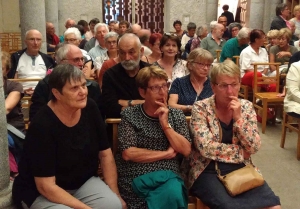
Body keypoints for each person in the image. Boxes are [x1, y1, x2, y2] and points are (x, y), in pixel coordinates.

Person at [12, 64, 126, 209]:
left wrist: (115, 194)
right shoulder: (42, 125)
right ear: (57, 93)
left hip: (82, 183)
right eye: (74, 88)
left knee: (113, 205)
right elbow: (46, 186)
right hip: (40, 191)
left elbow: (105, 154)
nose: (83, 92)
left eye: (84, 85)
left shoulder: (90, 107)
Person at [186, 60, 281, 209]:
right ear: (213, 87)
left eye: (234, 84)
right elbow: (206, 148)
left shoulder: (246, 106)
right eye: (223, 85)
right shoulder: (201, 108)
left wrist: (238, 118)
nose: (230, 91)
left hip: (241, 169)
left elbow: (254, 146)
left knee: (274, 206)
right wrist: (241, 153)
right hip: (207, 169)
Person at [116, 65, 191, 208]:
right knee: (167, 195)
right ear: (142, 92)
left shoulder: (176, 115)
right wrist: (165, 154)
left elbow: (186, 150)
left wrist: (165, 125)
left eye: (164, 86)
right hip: (136, 176)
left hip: (168, 176)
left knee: (172, 192)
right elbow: (128, 153)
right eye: (155, 88)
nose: (162, 92)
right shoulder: (130, 115)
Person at [29, 44, 102, 121]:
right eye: (76, 60)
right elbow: (36, 118)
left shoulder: (93, 86)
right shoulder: (45, 85)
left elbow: (99, 119)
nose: (81, 64)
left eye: (82, 59)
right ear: (62, 62)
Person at [101, 33, 149, 118]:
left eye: (131, 52)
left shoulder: (151, 72)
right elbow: (110, 109)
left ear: (141, 52)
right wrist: (140, 103)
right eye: (122, 53)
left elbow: (159, 103)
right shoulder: (110, 75)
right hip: (119, 125)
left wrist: (124, 102)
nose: (127, 58)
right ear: (118, 53)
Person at [168, 48, 214, 115]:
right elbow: (171, 105)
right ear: (190, 65)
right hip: (184, 123)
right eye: (201, 64)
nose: (205, 68)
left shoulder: (214, 83)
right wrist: (191, 108)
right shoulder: (179, 83)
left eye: (208, 65)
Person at [9, 29, 56, 95]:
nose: (35, 43)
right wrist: (23, 91)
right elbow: (12, 81)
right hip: (21, 96)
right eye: (32, 39)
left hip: (43, 96)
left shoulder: (47, 59)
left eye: (38, 39)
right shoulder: (16, 57)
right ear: (25, 41)